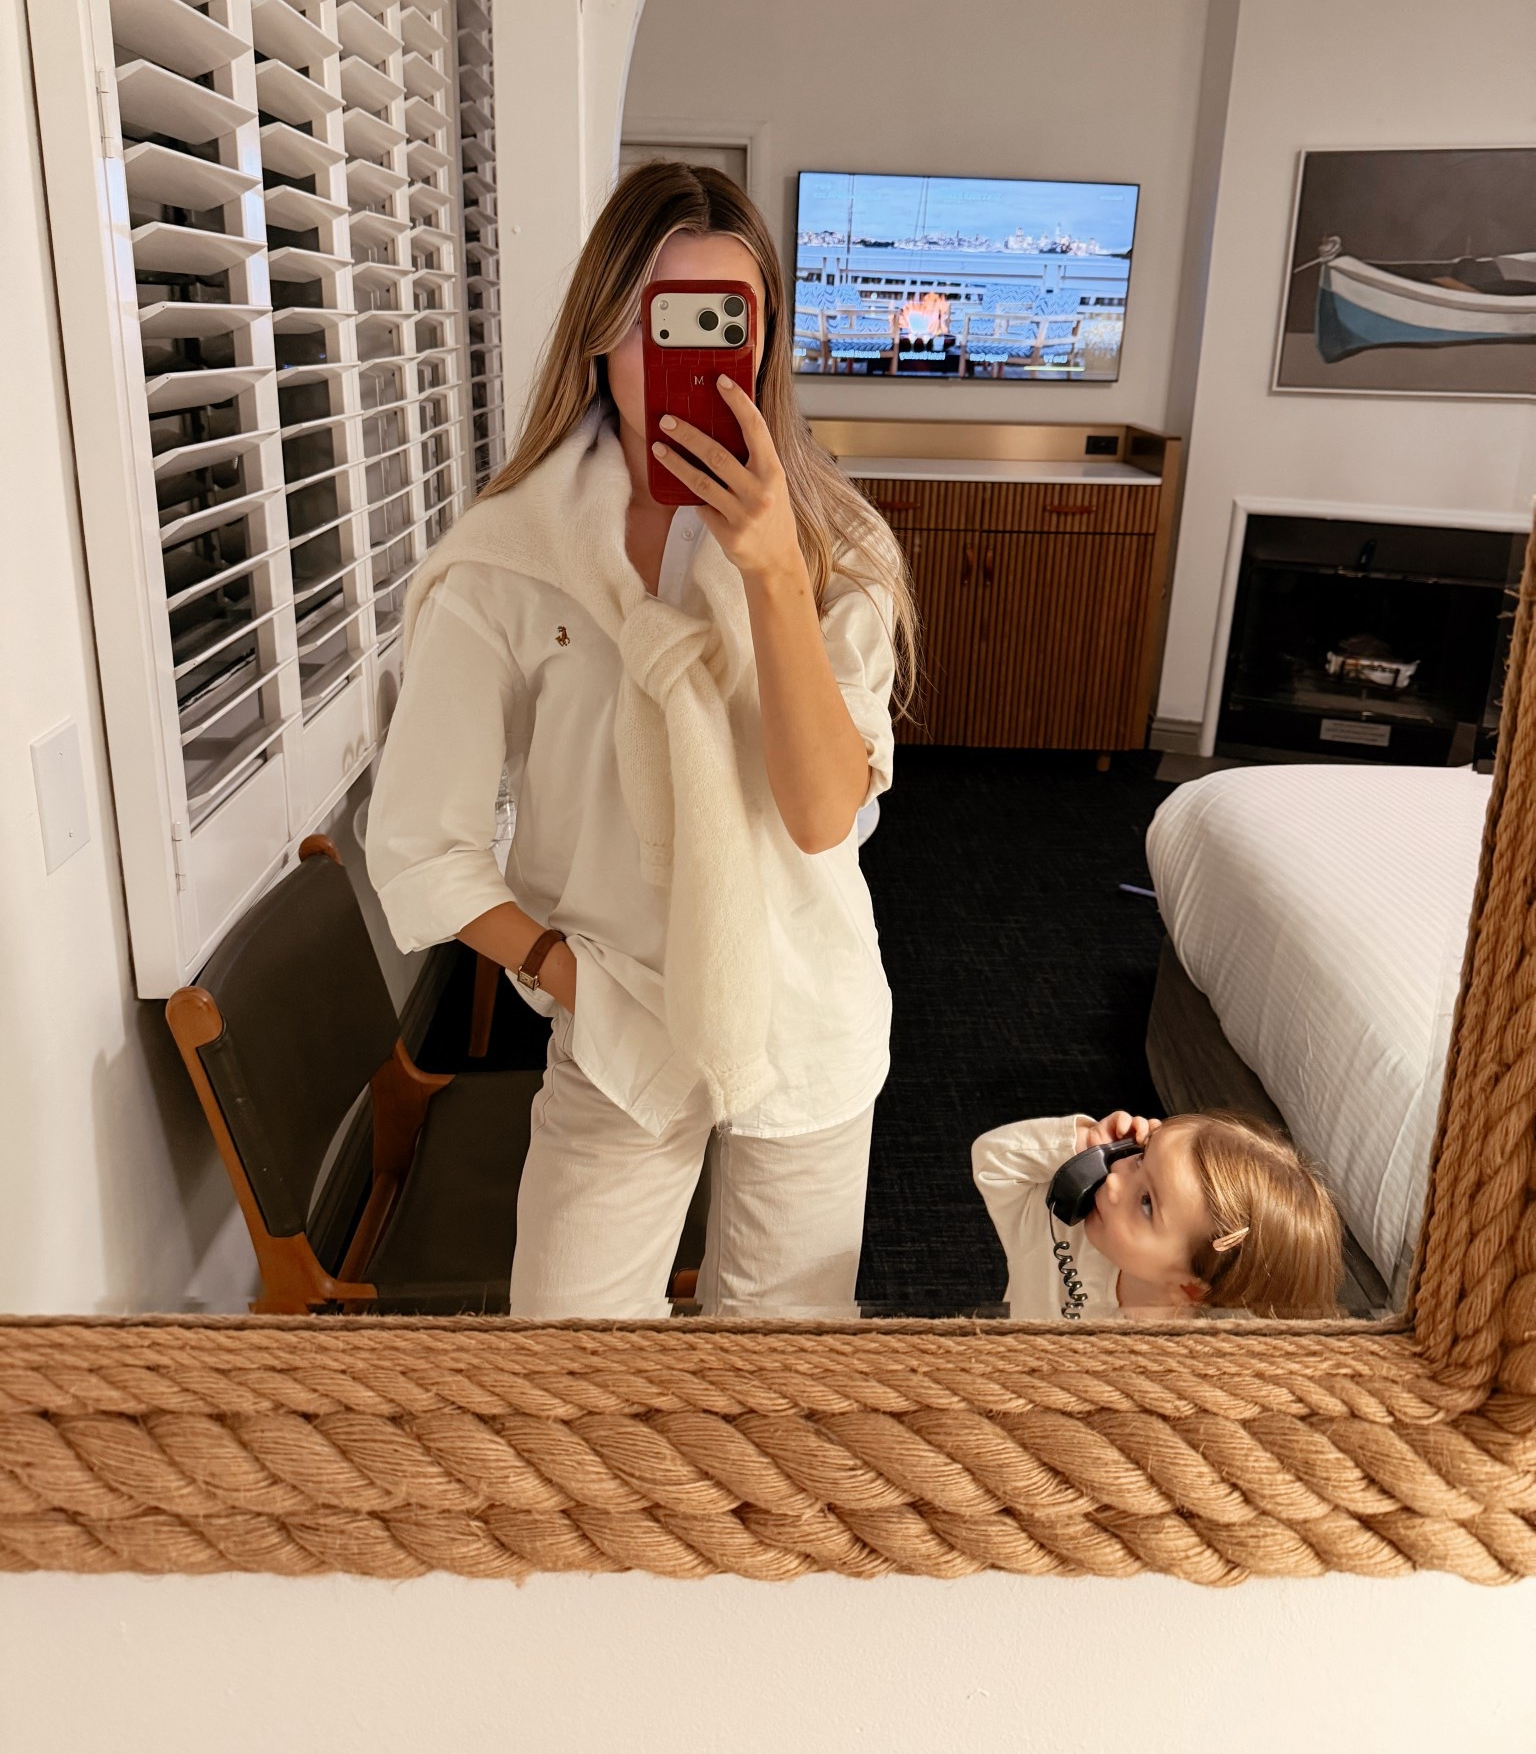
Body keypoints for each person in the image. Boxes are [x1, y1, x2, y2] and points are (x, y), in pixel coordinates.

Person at [366, 161, 917, 1319]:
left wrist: (772, 572)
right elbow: (422, 840)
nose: (692, 352)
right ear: (601, 327)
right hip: (617, 1020)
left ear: (766, 341)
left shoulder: (838, 549)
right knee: (572, 1367)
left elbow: (823, 815)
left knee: (781, 1380)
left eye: (728, 319)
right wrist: (564, 972)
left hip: (806, 1004)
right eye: (659, 317)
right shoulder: (510, 561)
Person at [971, 1107, 1344, 1321]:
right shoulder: (1061, 1226)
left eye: (1147, 1203)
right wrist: (1082, 1145)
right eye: (1139, 1156)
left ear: (1189, 1288)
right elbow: (994, 1162)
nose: (1113, 1182)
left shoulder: (1181, 1361)